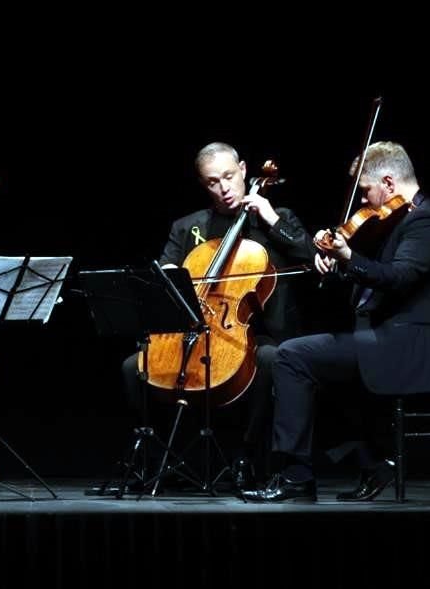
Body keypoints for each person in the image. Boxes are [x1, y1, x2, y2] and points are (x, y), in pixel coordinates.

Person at [242, 141, 430, 503]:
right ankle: (370, 464)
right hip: (387, 336)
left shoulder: (427, 220)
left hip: (416, 346)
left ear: (389, 183)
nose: (364, 201)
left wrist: (349, 256)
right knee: (308, 367)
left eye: (366, 191)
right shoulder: (396, 220)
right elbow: (374, 276)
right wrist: (336, 267)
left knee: (291, 356)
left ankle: (296, 478)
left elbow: (399, 278)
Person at [120, 142, 315, 491]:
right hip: (196, 331)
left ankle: (246, 457)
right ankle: (153, 461)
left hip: (257, 332)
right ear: (202, 184)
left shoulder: (276, 217)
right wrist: (168, 276)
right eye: (212, 182)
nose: (224, 188)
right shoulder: (188, 228)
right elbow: (165, 277)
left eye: (228, 176)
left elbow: (310, 254)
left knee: (271, 360)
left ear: (243, 169)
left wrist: (270, 219)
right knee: (134, 366)